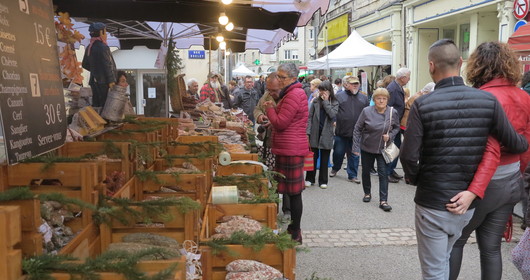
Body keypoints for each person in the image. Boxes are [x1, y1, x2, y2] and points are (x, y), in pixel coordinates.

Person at [400, 39, 528, 280]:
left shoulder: (425, 104)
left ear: (431, 66)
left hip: (452, 194)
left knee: (442, 261)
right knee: (478, 250)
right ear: (460, 63)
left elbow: (409, 156)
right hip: (488, 191)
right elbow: (518, 144)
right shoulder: (496, 100)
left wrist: (417, 178)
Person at [448, 41, 530, 280]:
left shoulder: (480, 98)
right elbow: (526, 149)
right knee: (491, 247)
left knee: (456, 241)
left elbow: (470, 148)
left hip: (482, 183)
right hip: (512, 179)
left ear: (478, 66)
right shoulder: (524, 97)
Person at [263, 63, 309, 243]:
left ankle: (295, 231)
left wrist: (270, 109)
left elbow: (281, 123)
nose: (279, 80)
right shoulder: (292, 93)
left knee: (294, 192)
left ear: (292, 78)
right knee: (290, 191)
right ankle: (292, 228)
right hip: (289, 147)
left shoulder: (294, 94)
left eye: (282, 77)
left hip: (291, 149)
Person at [352, 88, 399, 211]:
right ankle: (367, 193)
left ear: (387, 100)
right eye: (379, 98)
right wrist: (355, 147)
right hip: (367, 146)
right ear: (374, 100)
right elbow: (357, 129)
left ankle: (383, 201)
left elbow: (396, 128)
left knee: (383, 174)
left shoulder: (392, 112)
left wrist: (390, 136)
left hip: (383, 148)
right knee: (366, 171)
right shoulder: (366, 111)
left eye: (384, 98)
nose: (381, 101)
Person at [330, 76, 369, 184]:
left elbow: (368, 113)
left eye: (357, 83)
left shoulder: (364, 98)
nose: (355, 85)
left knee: (354, 154)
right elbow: (333, 110)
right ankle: (336, 167)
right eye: (353, 83)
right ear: (346, 85)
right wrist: (334, 120)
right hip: (342, 131)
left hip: (357, 132)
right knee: (338, 153)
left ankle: (352, 175)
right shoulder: (338, 96)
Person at [305, 81, 339, 189]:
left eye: (324, 90)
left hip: (327, 133)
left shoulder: (334, 102)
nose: (322, 92)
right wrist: (308, 132)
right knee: (313, 157)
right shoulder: (315, 101)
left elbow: (332, 114)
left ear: (329, 91)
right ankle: (310, 179)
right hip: (315, 132)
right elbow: (309, 117)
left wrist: (325, 102)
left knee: (325, 158)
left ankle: (323, 181)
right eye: (320, 90)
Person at [82, 22, 117, 109]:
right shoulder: (103, 47)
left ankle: (97, 122)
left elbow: (84, 64)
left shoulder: (89, 47)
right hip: (104, 82)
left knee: (96, 105)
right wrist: (111, 81)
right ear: (101, 32)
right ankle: (104, 122)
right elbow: (107, 65)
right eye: (105, 32)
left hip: (94, 81)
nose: (106, 35)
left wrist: (95, 71)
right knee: (105, 107)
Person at [386, 68, 410, 183]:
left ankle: (391, 170)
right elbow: (388, 107)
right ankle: (388, 171)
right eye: (408, 76)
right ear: (403, 77)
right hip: (392, 123)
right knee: (393, 148)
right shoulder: (393, 88)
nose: (409, 79)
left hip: (396, 123)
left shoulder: (397, 86)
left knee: (396, 146)